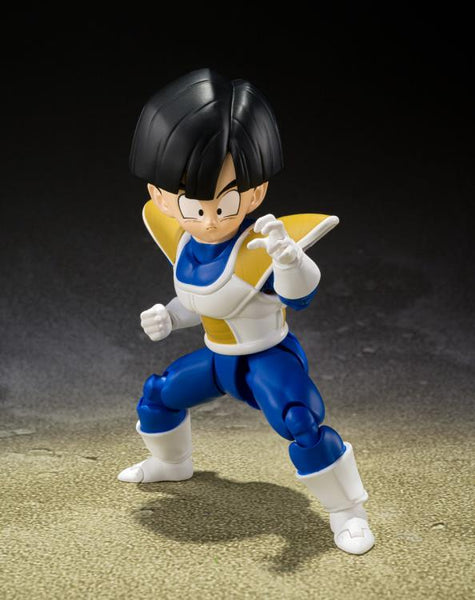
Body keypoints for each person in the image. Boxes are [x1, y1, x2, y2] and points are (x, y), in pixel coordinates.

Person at [118, 68, 375, 555]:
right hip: (219, 359)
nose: (210, 219)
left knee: (301, 422)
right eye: (194, 206)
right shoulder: (184, 245)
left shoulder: (260, 246)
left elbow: (298, 296)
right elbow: (200, 302)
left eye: (227, 202)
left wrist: (290, 260)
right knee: (158, 395)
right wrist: (170, 316)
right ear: (161, 197)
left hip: (268, 358)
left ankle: (348, 511)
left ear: (255, 193)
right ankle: (171, 464)